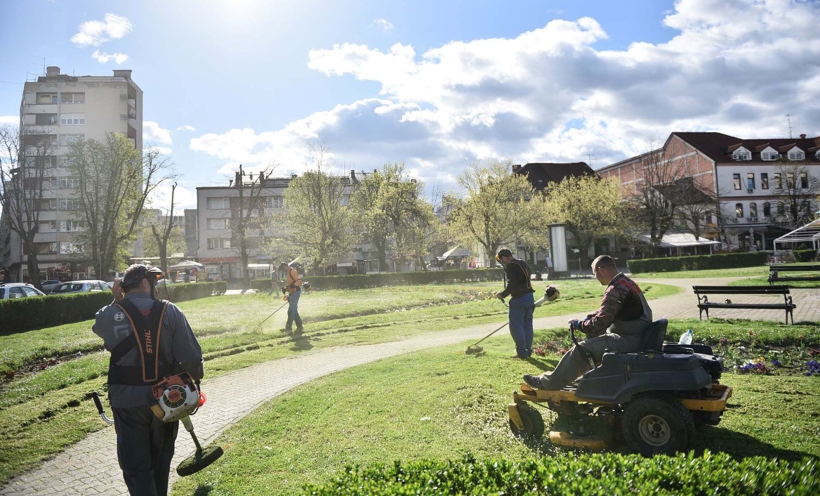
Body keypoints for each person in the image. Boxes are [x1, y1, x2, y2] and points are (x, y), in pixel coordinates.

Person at [93, 264, 204, 496]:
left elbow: (99, 326)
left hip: (127, 402)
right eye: (154, 283)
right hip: (166, 400)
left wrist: (116, 299)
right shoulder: (171, 311)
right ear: (145, 283)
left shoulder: (111, 314)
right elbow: (191, 359)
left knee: (136, 467)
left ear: (123, 287)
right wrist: (195, 384)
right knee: (161, 461)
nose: (156, 288)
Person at [523, 254, 652, 390]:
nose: (595, 277)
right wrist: (590, 317)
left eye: (594, 273)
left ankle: (548, 383)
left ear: (602, 270)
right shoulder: (626, 282)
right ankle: (588, 377)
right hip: (638, 334)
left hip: (630, 340)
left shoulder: (615, 289)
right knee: (593, 337)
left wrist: (578, 324)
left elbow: (599, 323)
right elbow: (609, 311)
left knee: (581, 349)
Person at [495, 248, 535, 359]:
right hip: (529, 297)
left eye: (501, 260)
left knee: (517, 327)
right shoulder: (522, 263)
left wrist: (502, 294)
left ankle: (521, 352)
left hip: (519, 299)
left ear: (504, 257)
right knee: (527, 325)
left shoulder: (511, 266)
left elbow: (512, 284)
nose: (502, 263)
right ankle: (528, 350)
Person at [279, 261, 303, 334]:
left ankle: (288, 328)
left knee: (291, 310)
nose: (283, 271)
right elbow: (290, 284)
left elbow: (299, 281)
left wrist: (293, 286)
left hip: (296, 292)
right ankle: (300, 325)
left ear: (285, 267)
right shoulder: (289, 273)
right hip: (292, 293)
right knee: (294, 310)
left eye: (283, 269)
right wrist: (285, 288)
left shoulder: (292, 271)